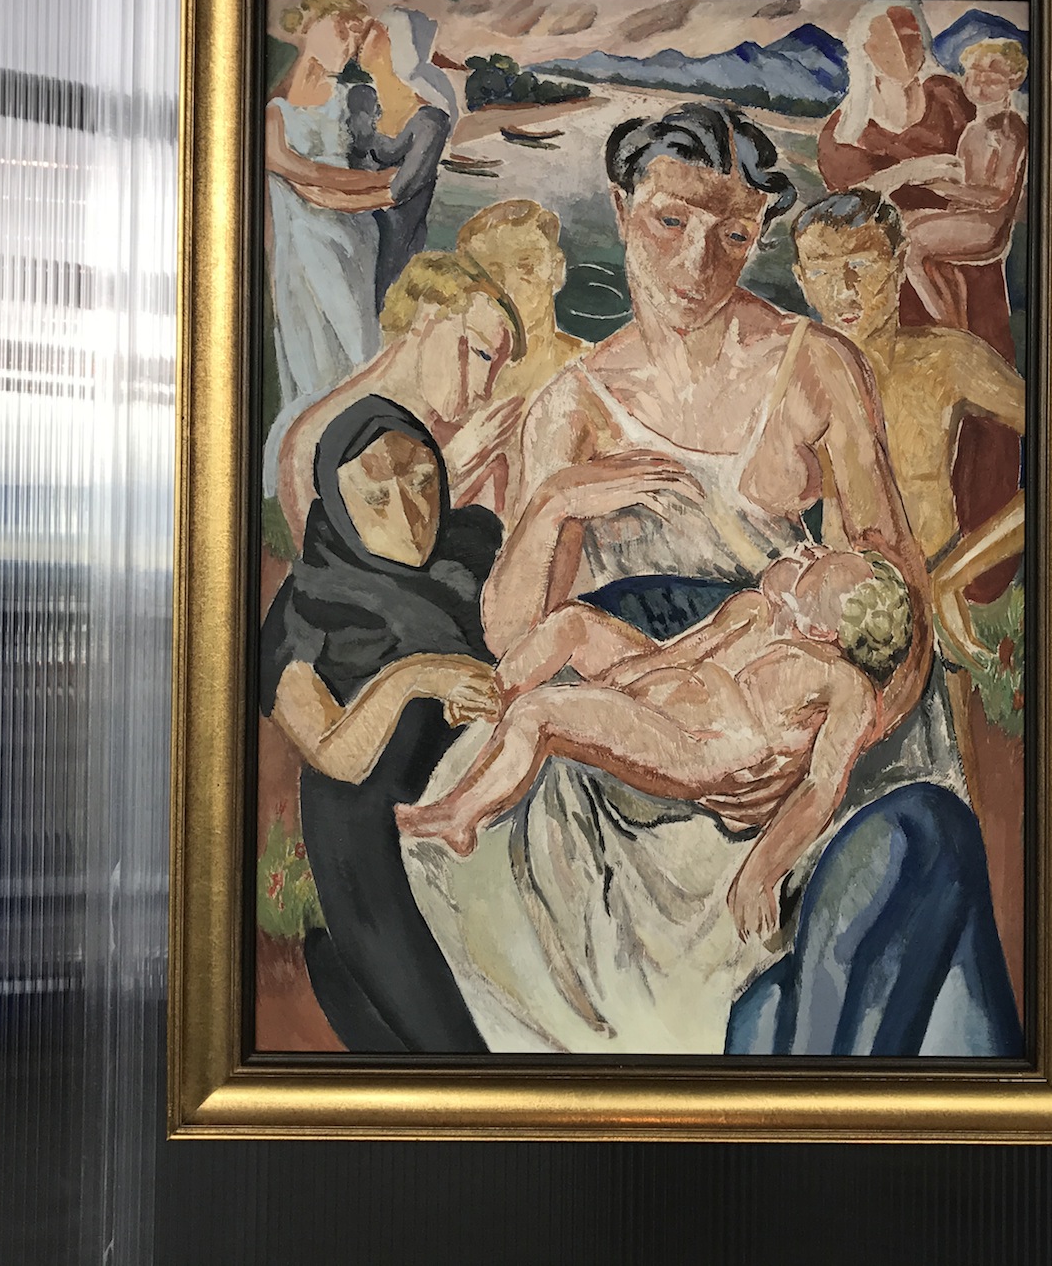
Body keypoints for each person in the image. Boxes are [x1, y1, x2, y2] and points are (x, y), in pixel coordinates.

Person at [402, 100, 1017, 1057]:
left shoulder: (814, 367)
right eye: (670, 222)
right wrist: (557, 502)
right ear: (621, 208)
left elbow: (892, 593)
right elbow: (515, 633)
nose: (698, 263)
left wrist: (819, 744)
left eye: (733, 236)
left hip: (800, 731)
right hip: (637, 756)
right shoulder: (570, 406)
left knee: (896, 878)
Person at [398, 547, 911, 944]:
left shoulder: (846, 687)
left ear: (827, 627)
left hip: (699, 750)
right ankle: (490, 693)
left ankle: (458, 818)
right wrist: (620, 687)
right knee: (573, 622)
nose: (808, 550)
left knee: (541, 714)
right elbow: (675, 654)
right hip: (663, 701)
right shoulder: (754, 610)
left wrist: (761, 872)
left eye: (820, 565)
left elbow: (822, 787)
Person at [258, 397, 505, 1052]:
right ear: (337, 504)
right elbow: (336, 756)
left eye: (422, 481)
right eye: (375, 496)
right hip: (370, 830)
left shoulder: (473, 549)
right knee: (452, 1046)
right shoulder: (304, 608)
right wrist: (414, 676)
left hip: (485, 796)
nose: (409, 514)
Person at [790, 189, 1026, 659]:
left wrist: (955, 575)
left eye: (862, 265)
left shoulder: (947, 360)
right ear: (800, 280)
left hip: (935, 593)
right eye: (820, 273)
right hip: (833, 615)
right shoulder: (795, 374)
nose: (844, 291)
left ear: (899, 263)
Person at [275, 251, 525, 543]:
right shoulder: (317, 439)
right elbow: (343, 558)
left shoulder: (477, 448)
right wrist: (450, 468)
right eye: (482, 354)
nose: (485, 390)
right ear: (427, 316)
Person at [264, 0, 399, 404]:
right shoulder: (273, 112)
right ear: (309, 25)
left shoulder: (353, 98)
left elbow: (390, 144)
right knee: (313, 354)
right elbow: (304, 175)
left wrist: (390, 186)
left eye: (357, 38)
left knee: (361, 351)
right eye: (343, 29)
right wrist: (386, 186)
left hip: (353, 240)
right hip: (302, 249)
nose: (349, 46)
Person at [452, 199, 590, 513]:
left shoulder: (593, 371)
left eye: (526, 266)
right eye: (491, 274)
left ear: (557, 270)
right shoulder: (454, 384)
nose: (509, 288)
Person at [897, 37, 1032, 331]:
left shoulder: (1009, 130)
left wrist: (941, 186)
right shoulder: (973, 129)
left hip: (986, 227)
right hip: (966, 216)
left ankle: (947, 327)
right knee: (899, 223)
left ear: (1014, 81)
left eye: (992, 79)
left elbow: (995, 198)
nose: (980, 85)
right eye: (974, 75)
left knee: (909, 244)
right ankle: (948, 317)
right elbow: (968, 185)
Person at [355, 8, 457, 313]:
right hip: (351, 234)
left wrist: (323, 195)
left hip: (395, 249)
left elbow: (397, 192)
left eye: (374, 33)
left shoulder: (431, 121)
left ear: (396, 45)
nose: (361, 38)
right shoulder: (360, 98)